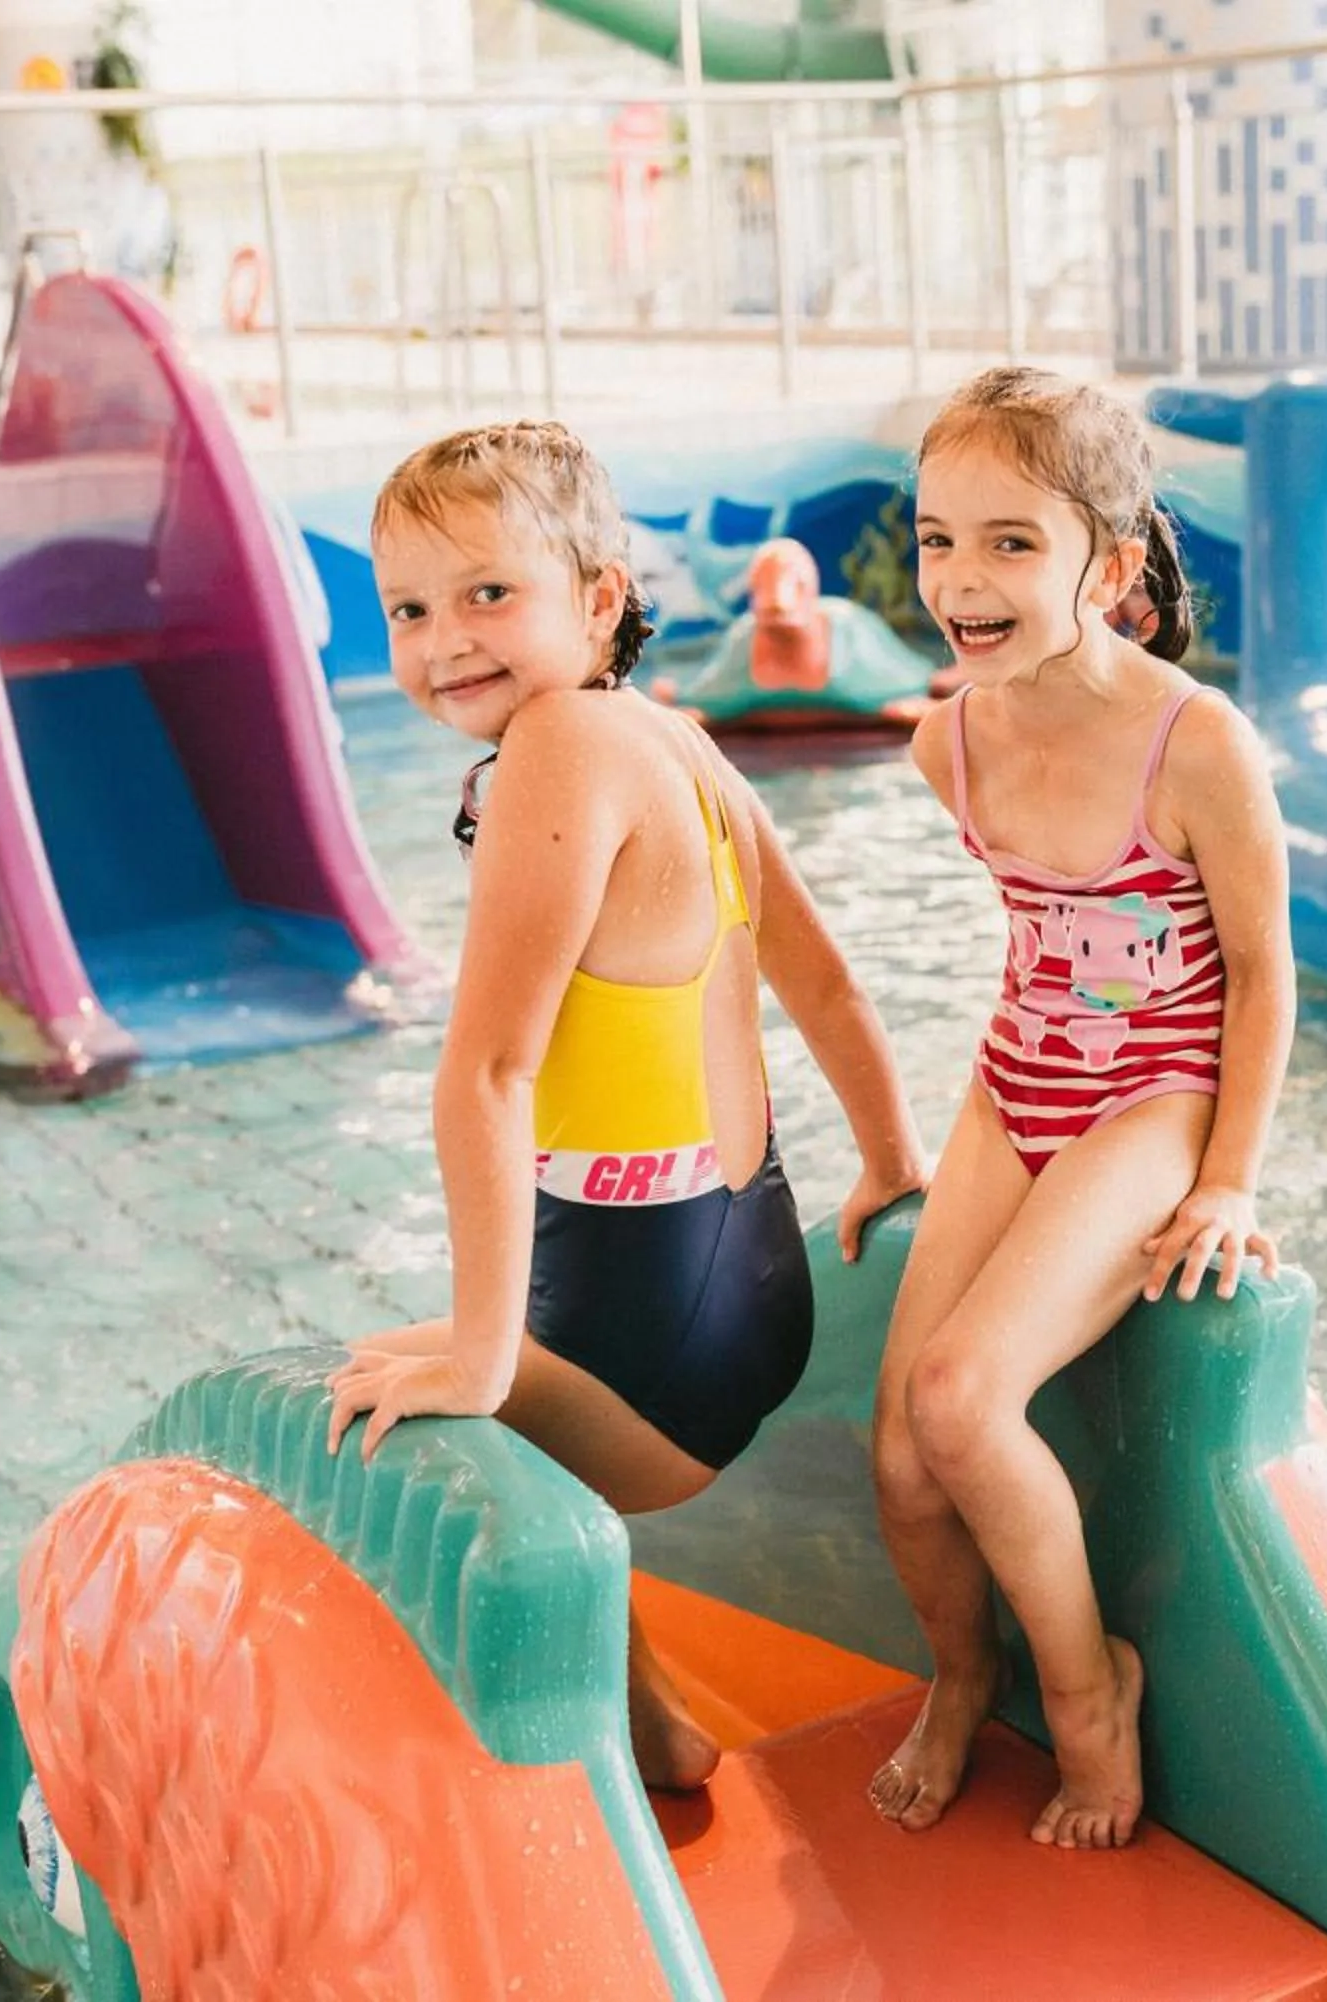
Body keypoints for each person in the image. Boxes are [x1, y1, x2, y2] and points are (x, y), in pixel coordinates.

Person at [324, 422, 928, 1790]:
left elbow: (488, 1072)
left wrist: (482, 1364)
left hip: (646, 1341)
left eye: (490, 594)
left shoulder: (559, 749)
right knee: (403, 1361)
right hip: (750, 1290)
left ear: (597, 598)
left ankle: (578, 1733)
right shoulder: (687, 745)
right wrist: (891, 1159)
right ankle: (656, 1718)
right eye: (409, 609)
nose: (443, 641)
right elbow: (828, 986)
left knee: (347, 1403)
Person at [866, 367, 1296, 1851]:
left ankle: (1088, 1688)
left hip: (1154, 1102)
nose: (961, 580)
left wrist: (1228, 1177)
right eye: (936, 539)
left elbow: (1259, 969)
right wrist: (910, 1149)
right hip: (1014, 1089)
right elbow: (1040, 948)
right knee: (901, 1459)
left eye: (1008, 542)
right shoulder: (948, 743)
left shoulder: (1196, 745)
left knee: (965, 1401)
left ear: (1108, 569)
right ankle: (959, 1671)